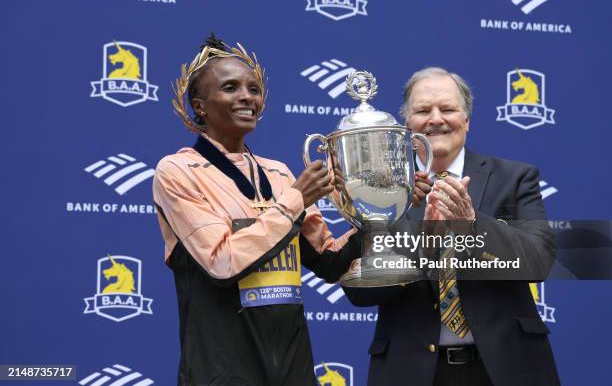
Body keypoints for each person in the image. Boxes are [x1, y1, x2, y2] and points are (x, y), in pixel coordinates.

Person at [152, 35, 361, 386]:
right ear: (200, 106)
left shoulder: (278, 172)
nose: (247, 97)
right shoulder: (177, 171)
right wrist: (295, 201)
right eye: (231, 88)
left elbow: (329, 262)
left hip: (293, 367)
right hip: (221, 370)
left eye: (253, 88)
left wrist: (378, 213)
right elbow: (222, 262)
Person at [344, 67, 559, 386]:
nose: (435, 119)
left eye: (447, 109)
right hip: (410, 372)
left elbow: (538, 262)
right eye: (422, 110)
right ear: (407, 124)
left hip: (508, 368)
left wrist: (473, 226)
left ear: (467, 120)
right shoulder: (378, 189)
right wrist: (424, 248)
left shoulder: (514, 178)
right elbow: (360, 293)